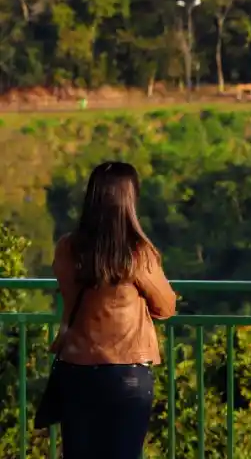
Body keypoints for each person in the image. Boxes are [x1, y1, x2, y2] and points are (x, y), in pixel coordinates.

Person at [50, 161, 177, 459]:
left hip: (76, 367)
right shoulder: (137, 252)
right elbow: (166, 306)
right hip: (126, 372)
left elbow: (69, 291)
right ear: (129, 200)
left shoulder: (68, 248)